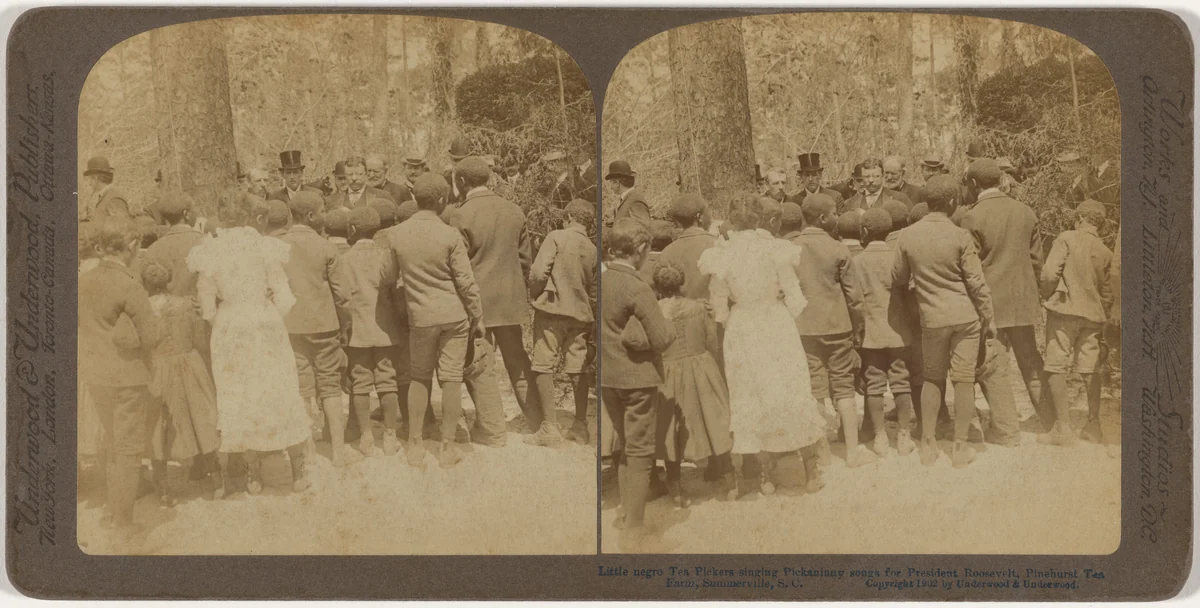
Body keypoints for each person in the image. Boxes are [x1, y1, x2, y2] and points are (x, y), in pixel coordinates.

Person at [699, 194, 826, 494]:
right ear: (759, 219)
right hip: (775, 323)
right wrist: (779, 304)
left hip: (743, 327)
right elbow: (796, 299)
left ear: (731, 220)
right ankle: (810, 473)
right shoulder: (775, 249)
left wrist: (734, 317)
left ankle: (765, 476)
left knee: (750, 393)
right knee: (791, 389)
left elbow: (719, 306)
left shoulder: (723, 254)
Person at [382, 173, 485, 469]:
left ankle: (415, 444)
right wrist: (478, 316)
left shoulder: (396, 234)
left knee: (419, 377)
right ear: (441, 200)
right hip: (454, 317)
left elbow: (387, 276)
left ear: (416, 199)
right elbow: (466, 282)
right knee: (451, 379)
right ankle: (447, 447)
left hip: (421, 317)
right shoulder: (450, 235)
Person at [892, 175, 995, 468]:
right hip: (965, 318)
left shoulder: (907, 235)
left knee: (932, 379)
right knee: (963, 380)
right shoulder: (960, 235)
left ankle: (928, 444)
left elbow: (897, 276)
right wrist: (989, 316)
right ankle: (960, 448)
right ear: (951, 202)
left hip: (932, 318)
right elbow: (976, 282)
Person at [79, 216, 165, 548]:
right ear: (130, 246)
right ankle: (124, 522)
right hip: (127, 377)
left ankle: (113, 510)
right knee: (128, 447)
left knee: (112, 441)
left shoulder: (84, 281)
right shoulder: (129, 285)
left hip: (96, 375)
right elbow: (150, 336)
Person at [600, 218, 676, 551]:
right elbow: (661, 339)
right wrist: (668, 325)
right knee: (641, 450)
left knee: (624, 445)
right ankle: (635, 531)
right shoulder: (637, 287)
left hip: (608, 378)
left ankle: (625, 514)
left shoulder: (600, 281)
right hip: (637, 380)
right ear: (642, 249)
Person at [451, 156, 537, 436]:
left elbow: (458, 266)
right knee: (518, 360)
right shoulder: (514, 210)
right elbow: (526, 261)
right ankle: (537, 420)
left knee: (480, 363)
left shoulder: (461, 215)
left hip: (479, 303)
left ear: (461, 181)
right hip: (510, 299)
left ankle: (492, 430)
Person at [959, 158, 1041, 443]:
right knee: (1031, 361)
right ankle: (1052, 421)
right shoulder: (1025, 211)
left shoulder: (972, 217)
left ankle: (1006, 430)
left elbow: (970, 268)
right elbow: (1037, 261)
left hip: (991, 303)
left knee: (993, 364)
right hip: (1023, 300)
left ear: (974, 183)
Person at [786, 194, 870, 467]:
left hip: (803, 328)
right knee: (844, 387)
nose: (837, 217)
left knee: (816, 389)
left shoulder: (790, 249)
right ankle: (852, 452)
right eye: (835, 213)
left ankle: (821, 453)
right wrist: (858, 327)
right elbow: (854, 297)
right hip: (837, 327)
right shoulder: (838, 249)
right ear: (823, 218)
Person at [277, 191, 358, 467]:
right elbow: (342, 296)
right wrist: (345, 325)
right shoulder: (326, 247)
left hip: (291, 326)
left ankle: (308, 451)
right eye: (323, 210)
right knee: (330, 386)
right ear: (311, 216)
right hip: (325, 327)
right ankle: (338, 451)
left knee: (303, 388)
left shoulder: (278, 246)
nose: (325, 215)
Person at [649, 261, 734, 505]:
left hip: (668, 370)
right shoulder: (699, 307)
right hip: (701, 366)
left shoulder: (653, 311)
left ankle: (676, 489)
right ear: (681, 283)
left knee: (671, 428)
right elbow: (711, 342)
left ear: (657, 286)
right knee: (714, 421)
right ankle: (730, 481)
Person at [140, 260, 221, 503]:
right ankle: (217, 480)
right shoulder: (187, 304)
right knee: (201, 418)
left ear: (145, 284)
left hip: (156, 368)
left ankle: (163, 487)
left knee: (159, 426)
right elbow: (199, 339)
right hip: (188, 364)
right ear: (170, 281)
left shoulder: (141, 309)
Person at [332, 207, 410, 457]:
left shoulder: (344, 259)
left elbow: (341, 297)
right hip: (386, 330)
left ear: (352, 230)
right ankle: (390, 435)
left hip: (357, 331)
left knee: (360, 382)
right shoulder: (385, 256)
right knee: (388, 381)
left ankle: (365, 436)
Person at [1038, 199, 1114, 446]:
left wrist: (1047, 295)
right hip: (1092, 316)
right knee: (1090, 367)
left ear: (1080, 218)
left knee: (1056, 365)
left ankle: (1063, 428)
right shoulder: (1105, 250)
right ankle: (1093, 426)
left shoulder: (1066, 238)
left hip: (1064, 311)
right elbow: (1107, 292)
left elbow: (1049, 273)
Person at [526, 199, 598, 446]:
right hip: (581, 315)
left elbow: (538, 273)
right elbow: (595, 290)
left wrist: (536, 294)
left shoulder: (556, 237)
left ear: (568, 218)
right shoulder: (592, 248)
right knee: (577, 367)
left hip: (552, 311)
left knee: (543, 364)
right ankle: (580, 426)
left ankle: (549, 428)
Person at [852, 209, 916, 457]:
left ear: (865, 231)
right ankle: (904, 435)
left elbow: (855, 300)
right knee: (901, 381)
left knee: (874, 383)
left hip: (871, 333)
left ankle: (879, 436)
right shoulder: (897, 258)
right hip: (898, 332)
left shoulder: (857, 262)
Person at [659, 194, 717, 301]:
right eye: (708, 212)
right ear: (699, 217)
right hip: (711, 309)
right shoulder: (717, 244)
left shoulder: (666, 252)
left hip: (678, 310)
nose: (711, 217)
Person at [842, 158, 912, 213]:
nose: (871, 180)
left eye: (876, 176)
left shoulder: (899, 199)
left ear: (883, 176)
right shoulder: (849, 203)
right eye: (866, 176)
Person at [326, 156, 392, 210]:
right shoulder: (331, 201)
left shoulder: (383, 196)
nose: (354, 178)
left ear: (366, 174)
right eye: (350, 174)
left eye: (359, 174)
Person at [81, 156, 131, 221]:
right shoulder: (103, 196)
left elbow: (123, 225)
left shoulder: (114, 199)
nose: (89, 183)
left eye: (90, 179)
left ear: (96, 178)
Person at [605, 160, 651, 227]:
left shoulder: (636, 200)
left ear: (617, 183)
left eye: (611, 182)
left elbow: (643, 229)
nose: (610, 187)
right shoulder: (627, 198)